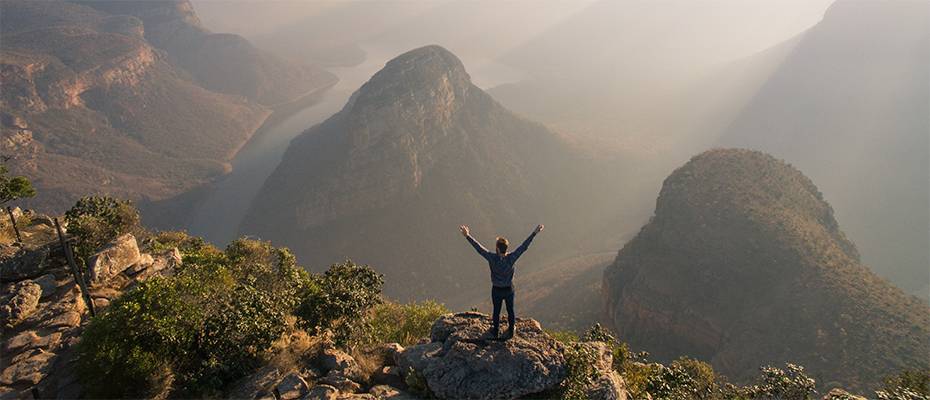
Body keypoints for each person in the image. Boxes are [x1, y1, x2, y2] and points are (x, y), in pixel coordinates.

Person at [460, 224, 544, 339]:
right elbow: (524, 246)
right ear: (506, 248)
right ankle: (511, 331)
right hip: (509, 289)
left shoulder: (491, 258)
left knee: (496, 311)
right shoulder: (512, 257)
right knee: (510, 310)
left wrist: (467, 236)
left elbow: (479, 248)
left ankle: (495, 331)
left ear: (498, 249)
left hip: (496, 290)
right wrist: (534, 233)